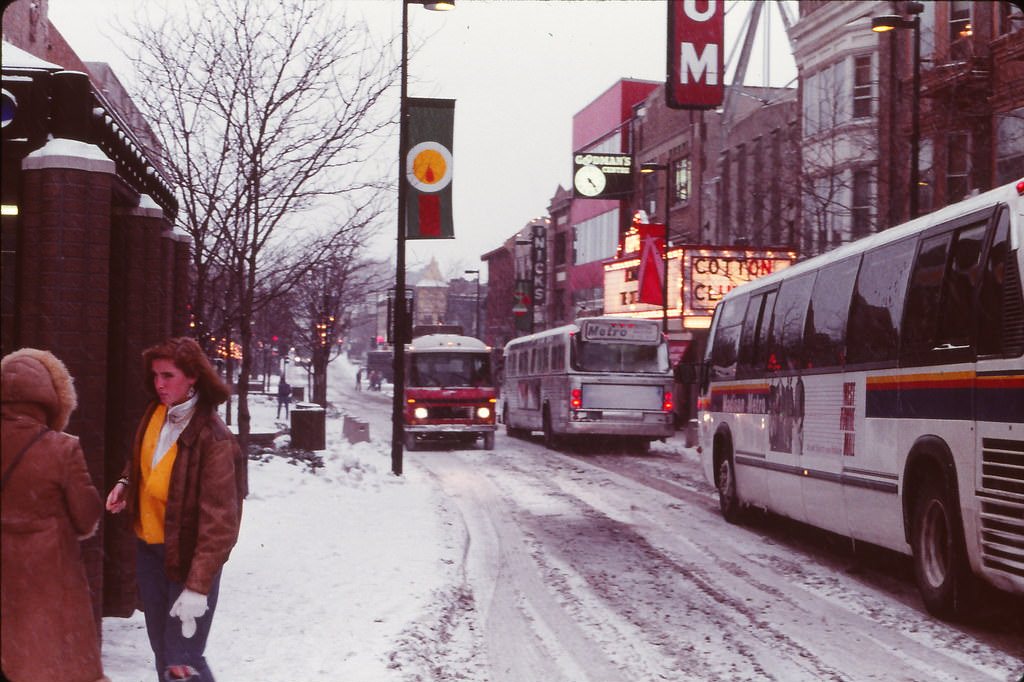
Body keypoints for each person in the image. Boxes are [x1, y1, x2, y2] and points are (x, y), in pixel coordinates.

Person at [106, 337, 244, 682]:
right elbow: (143, 459)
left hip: (187, 560)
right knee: (165, 655)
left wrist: (197, 587)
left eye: (168, 375)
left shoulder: (214, 439)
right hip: (149, 552)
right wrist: (126, 483)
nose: (159, 384)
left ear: (193, 376)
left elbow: (221, 524)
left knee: (182, 661)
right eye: (155, 375)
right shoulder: (155, 414)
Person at [1, 348, 109, 682]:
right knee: (46, 663)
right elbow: (86, 517)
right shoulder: (62, 448)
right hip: (46, 579)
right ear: (52, 397)